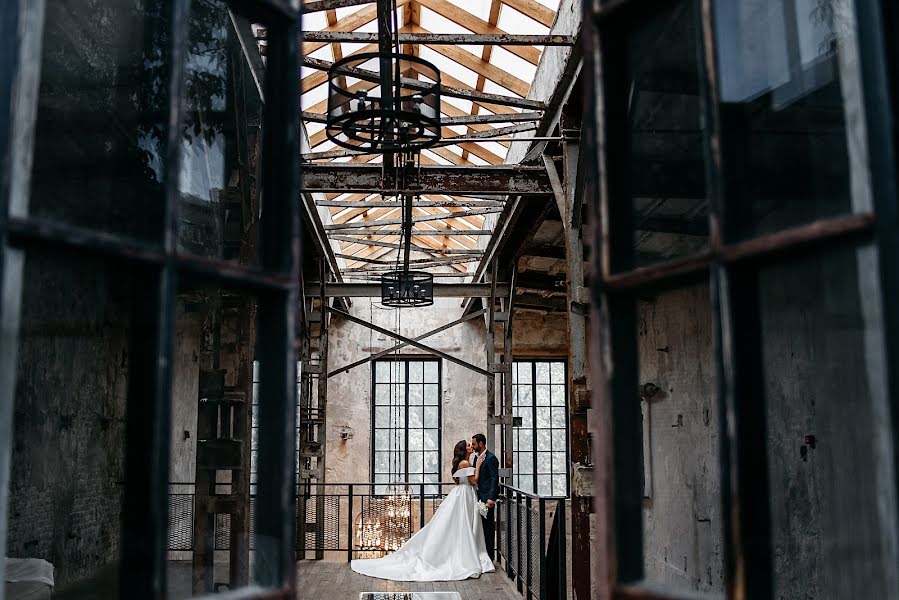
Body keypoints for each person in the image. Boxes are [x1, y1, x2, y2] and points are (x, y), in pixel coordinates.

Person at [350, 440, 495, 581]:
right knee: (462, 524)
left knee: (461, 524)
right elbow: (474, 480)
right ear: (464, 450)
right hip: (465, 494)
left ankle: (464, 551)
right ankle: (463, 555)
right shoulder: (465, 463)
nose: (471, 447)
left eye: (472, 444)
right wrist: (479, 466)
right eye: (469, 446)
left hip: (463, 494)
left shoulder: (464, 462)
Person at [471, 433, 498, 559]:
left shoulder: (491, 458)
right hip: (478, 496)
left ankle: (490, 557)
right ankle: (481, 554)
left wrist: (491, 498)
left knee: (488, 528)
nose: (473, 446)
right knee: (480, 527)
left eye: (474, 444)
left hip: (487, 498)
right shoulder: (477, 458)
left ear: (481, 444)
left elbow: (494, 479)